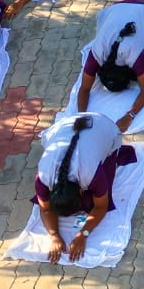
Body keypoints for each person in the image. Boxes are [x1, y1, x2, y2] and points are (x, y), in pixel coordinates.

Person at [34, 111, 128, 265]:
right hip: (68, 125)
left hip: (102, 124)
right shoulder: (43, 177)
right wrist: (54, 236)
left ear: (81, 190)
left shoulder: (90, 174)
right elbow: (45, 209)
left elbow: (101, 206)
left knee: (91, 203)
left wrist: (83, 234)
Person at [73, 1, 144, 126]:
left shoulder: (134, 56)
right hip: (116, 7)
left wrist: (130, 116)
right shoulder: (96, 55)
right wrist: (81, 116)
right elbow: (84, 89)